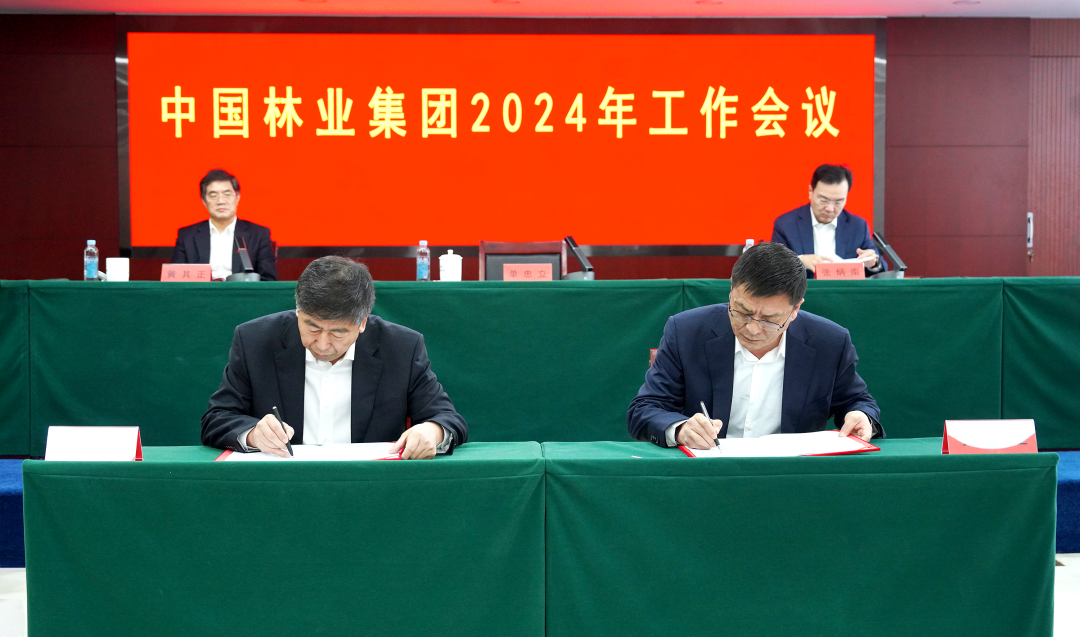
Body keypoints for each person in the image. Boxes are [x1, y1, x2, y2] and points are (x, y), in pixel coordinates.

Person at [201, 256, 467, 459]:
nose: (323, 344)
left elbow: (447, 418)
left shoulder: (401, 348)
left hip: (370, 484)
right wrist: (253, 434)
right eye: (312, 328)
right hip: (282, 484)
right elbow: (217, 418)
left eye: (338, 332)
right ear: (298, 312)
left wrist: (432, 431)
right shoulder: (255, 340)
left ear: (362, 323)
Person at [627, 242, 882, 449]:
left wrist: (861, 416)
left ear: (795, 309)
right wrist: (681, 429)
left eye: (769, 320)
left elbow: (856, 400)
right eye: (742, 311)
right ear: (731, 291)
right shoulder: (686, 331)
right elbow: (644, 409)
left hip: (791, 475)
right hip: (707, 473)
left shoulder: (829, 341)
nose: (752, 328)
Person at [771, 164, 886, 277]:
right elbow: (772, 267)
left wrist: (873, 263)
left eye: (838, 201)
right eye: (823, 200)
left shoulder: (857, 226)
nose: (830, 208)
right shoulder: (786, 224)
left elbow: (881, 268)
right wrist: (799, 261)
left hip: (844, 289)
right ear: (810, 191)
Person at [171, 169, 278, 281]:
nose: (221, 201)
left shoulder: (258, 234)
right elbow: (175, 280)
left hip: (240, 291)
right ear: (204, 201)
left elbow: (268, 280)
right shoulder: (187, 236)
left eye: (227, 194)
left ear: (237, 197)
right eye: (213, 195)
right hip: (201, 291)